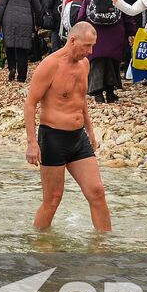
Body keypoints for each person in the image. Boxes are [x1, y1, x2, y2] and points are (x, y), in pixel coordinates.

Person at [23, 22, 111, 232]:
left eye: (93, 46)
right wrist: (31, 143)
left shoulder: (84, 64)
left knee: (97, 191)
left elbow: (81, 100)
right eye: (87, 46)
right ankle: (40, 243)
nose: (90, 51)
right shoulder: (50, 65)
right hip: (53, 138)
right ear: (73, 41)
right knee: (53, 199)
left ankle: (105, 250)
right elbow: (30, 103)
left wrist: (89, 129)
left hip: (78, 138)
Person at [0, 0, 42, 82]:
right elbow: (37, 7)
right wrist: (38, 22)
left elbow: (1, 5)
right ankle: (22, 77)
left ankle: (11, 68)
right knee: (23, 48)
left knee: (10, 45)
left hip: (8, 19)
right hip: (25, 19)